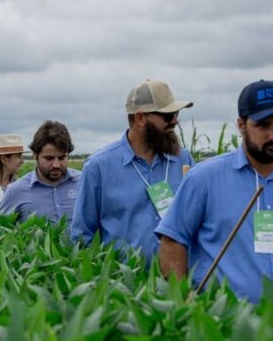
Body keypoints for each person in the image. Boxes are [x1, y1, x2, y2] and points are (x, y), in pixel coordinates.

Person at [156, 79, 273, 303]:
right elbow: (173, 241)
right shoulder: (203, 178)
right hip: (221, 324)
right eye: (263, 125)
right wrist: (181, 300)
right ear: (241, 125)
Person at [71, 79, 194, 261]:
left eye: (176, 114)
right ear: (140, 118)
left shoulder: (183, 160)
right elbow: (83, 236)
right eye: (168, 116)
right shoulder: (98, 167)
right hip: (124, 284)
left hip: (177, 283)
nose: (175, 121)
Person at [0, 120, 82, 225]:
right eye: (49, 158)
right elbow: (1, 229)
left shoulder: (83, 182)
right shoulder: (16, 191)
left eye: (61, 158)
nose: (56, 164)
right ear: (35, 155)